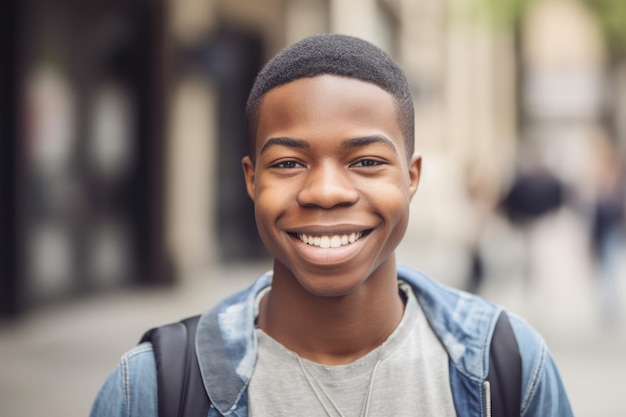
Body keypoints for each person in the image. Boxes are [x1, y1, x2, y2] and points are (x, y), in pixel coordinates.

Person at [90, 33, 573, 417]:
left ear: (411, 178)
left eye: (365, 161)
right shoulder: (153, 389)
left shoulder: (507, 367)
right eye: (287, 164)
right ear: (251, 180)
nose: (324, 191)